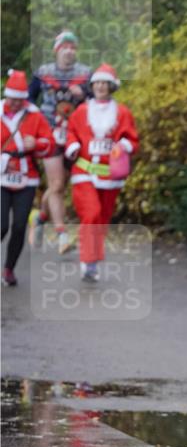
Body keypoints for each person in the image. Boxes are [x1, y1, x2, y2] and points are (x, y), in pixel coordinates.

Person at [63, 64, 138, 282]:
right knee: (92, 213)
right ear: (92, 85)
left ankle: (93, 260)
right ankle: (87, 261)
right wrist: (73, 146)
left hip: (110, 175)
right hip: (84, 171)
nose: (101, 87)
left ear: (111, 86)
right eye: (97, 83)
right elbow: (71, 133)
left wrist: (123, 145)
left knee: (102, 219)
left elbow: (132, 139)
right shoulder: (81, 111)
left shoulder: (122, 112)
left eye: (105, 83)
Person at [28, 30, 92, 254]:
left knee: (61, 186)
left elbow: (97, 99)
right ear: (56, 50)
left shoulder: (86, 74)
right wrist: (33, 125)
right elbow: (29, 99)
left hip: (74, 135)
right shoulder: (43, 72)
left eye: (73, 48)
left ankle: (40, 217)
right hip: (49, 133)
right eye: (64, 47)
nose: (69, 51)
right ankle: (62, 235)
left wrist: (83, 94)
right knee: (56, 185)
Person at [2, 70, 55, 286]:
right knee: (1, 225)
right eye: (11, 99)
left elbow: (49, 143)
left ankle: (9, 269)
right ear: (6, 95)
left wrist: (37, 144)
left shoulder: (35, 115)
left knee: (19, 226)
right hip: (2, 176)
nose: (15, 103)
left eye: (19, 100)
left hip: (27, 178)